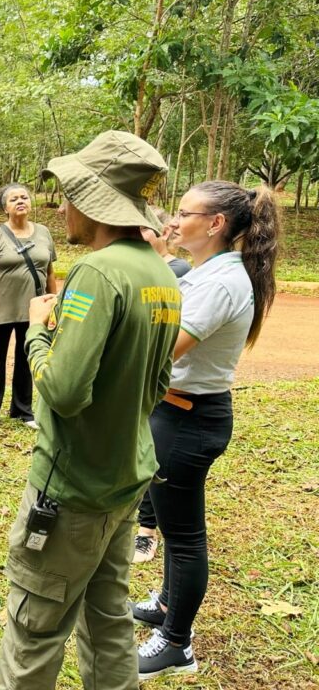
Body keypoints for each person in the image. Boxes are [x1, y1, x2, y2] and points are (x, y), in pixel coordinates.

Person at [0, 130, 182, 690]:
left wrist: (36, 332)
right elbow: (159, 382)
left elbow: (66, 392)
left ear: (95, 201)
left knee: (34, 630)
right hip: (124, 483)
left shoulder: (96, 274)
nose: (63, 206)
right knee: (108, 624)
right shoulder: (161, 275)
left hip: (70, 492)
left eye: (70, 193)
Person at [131, 182, 280, 681]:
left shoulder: (220, 282)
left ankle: (176, 644)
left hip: (188, 417)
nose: (175, 220)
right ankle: (167, 604)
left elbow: (163, 350)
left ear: (215, 224)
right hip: (179, 413)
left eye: (184, 212)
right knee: (175, 527)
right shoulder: (211, 271)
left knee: (186, 535)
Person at [132, 205, 191, 564]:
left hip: (163, 374)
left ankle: (147, 532)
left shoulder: (178, 271)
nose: (140, 238)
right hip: (140, 372)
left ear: (163, 233)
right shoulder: (141, 270)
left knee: (156, 456)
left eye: (146, 231)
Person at [0, 183, 58, 431]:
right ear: (5, 207)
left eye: (24, 197)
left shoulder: (43, 233)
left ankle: (23, 409)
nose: (20, 201)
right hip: (2, 307)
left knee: (27, 358)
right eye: (13, 199)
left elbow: (50, 271)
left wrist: (54, 303)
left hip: (35, 309)